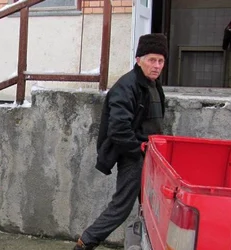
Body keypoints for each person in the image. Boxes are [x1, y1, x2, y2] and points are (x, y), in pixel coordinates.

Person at [74, 33, 167, 250]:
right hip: (133, 156)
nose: (156, 66)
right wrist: (138, 151)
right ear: (138, 59)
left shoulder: (153, 85)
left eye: (161, 61)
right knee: (121, 206)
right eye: (151, 60)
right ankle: (85, 242)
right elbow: (118, 128)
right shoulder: (127, 86)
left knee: (150, 205)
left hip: (149, 154)